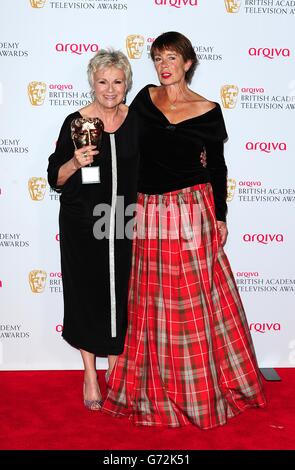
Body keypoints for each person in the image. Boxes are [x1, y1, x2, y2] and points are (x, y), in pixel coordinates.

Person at [101, 32, 266, 428]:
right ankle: (150, 387)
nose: (163, 65)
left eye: (171, 57)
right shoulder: (143, 98)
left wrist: (221, 215)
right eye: (158, 58)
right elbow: (118, 135)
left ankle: (200, 387)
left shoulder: (208, 110)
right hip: (148, 209)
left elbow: (218, 168)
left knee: (194, 301)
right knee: (148, 301)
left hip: (192, 208)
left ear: (188, 63)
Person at [47, 49, 139, 410]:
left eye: (117, 81)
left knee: (122, 296)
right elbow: (54, 177)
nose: (110, 89)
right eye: (103, 81)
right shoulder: (76, 122)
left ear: (126, 84)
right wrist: (75, 160)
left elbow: (159, 163)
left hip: (124, 221)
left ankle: (115, 372)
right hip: (82, 221)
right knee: (85, 294)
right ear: (92, 83)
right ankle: (90, 374)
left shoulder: (138, 121)